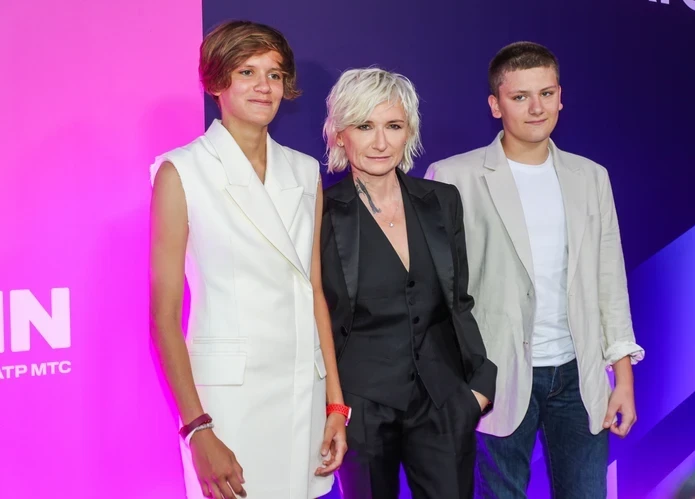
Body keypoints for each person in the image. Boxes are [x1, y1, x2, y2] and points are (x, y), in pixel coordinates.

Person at [426, 41, 645, 498]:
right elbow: (437, 295)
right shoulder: (453, 177)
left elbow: (609, 280)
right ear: (495, 104)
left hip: (578, 376)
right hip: (495, 378)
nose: (536, 108)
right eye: (520, 96)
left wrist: (623, 378)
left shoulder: (591, 177)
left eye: (546, 94)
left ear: (561, 97)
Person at [148, 20, 346, 499]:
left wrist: (336, 405)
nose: (264, 86)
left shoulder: (305, 171)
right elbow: (163, 315)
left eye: (274, 74)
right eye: (247, 72)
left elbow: (313, 291)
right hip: (227, 401)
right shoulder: (182, 171)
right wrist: (197, 428)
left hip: (302, 390)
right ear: (217, 82)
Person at [319, 68, 497, 499]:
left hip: (443, 399)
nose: (381, 142)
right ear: (340, 134)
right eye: (365, 126)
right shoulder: (320, 211)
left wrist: (478, 389)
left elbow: (459, 300)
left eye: (393, 126)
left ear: (409, 132)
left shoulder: (441, 201)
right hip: (360, 406)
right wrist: (334, 404)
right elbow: (314, 313)